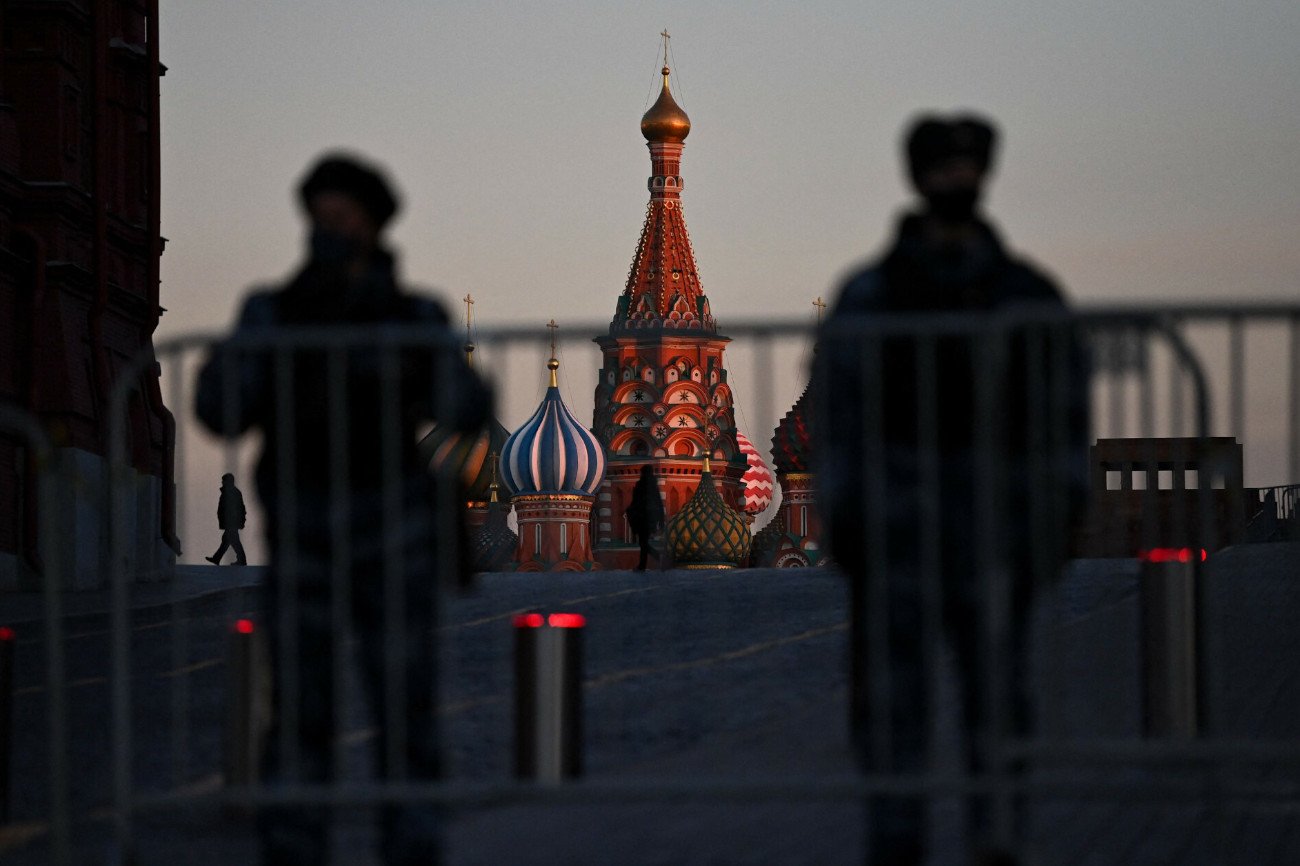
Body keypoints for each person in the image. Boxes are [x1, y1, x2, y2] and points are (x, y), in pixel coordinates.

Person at [195, 153, 492, 866]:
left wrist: (417, 364)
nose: (329, 230)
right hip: (304, 534)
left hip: (394, 535)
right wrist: (256, 354)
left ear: (371, 224)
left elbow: (465, 406)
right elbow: (219, 408)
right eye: (319, 216)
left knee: (405, 704)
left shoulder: (412, 315)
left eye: (343, 217)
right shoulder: (273, 311)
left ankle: (412, 844)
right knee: (302, 708)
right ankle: (295, 845)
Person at [813, 115, 1089, 866]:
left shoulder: (1025, 293)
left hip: (995, 532)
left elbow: (1063, 413)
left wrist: (1057, 514)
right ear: (917, 176)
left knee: (997, 701)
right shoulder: (871, 296)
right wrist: (847, 516)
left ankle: (996, 839)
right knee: (892, 707)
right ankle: (896, 840)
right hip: (897, 534)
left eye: (965, 166)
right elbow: (838, 415)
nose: (955, 180)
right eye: (942, 167)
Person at [626, 464, 665, 571]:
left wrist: (630, 511)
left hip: (641, 518)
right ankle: (646, 563)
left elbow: (636, 502)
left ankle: (648, 562)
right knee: (644, 542)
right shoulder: (653, 486)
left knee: (643, 543)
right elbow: (659, 503)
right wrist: (661, 520)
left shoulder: (640, 485)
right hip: (650, 519)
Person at [206, 473, 248, 565]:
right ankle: (217, 558)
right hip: (231, 521)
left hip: (231, 522)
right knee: (227, 540)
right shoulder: (231, 492)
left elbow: (238, 508)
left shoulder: (232, 493)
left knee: (232, 541)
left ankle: (241, 560)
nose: (222, 482)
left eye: (224, 481)